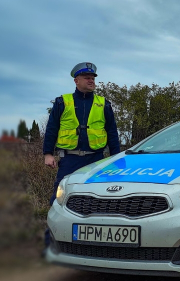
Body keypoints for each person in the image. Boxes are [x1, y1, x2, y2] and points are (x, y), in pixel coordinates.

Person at [43, 62, 120, 249]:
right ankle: (51, 245)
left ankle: (99, 245)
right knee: (60, 200)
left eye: (93, 78)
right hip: (70, 160)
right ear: (76, 81)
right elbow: (52, 129)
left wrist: (117, 158)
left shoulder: (104, 104)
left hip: (98, 160)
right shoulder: (63, 102)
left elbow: (112, 132)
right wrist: (47, 153)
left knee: (102, 200)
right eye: (87, 78)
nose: (91, 80)